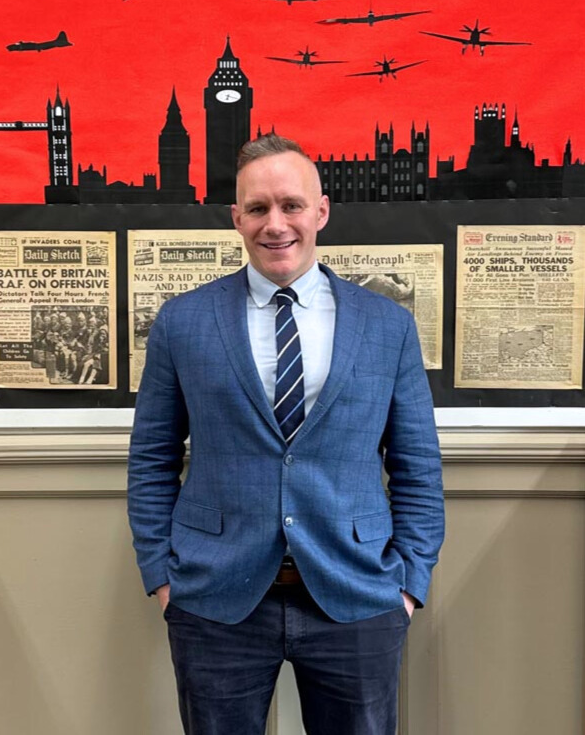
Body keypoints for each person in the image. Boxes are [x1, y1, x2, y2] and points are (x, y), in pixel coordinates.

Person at [128, 134, 444, 735]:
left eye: (291, 205)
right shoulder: (183, 322)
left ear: (320, 211)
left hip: (358, 594)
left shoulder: (388, 326)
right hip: (215, 597)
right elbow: (151, 460)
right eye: (257, 208)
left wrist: (408, 585)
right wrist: (163, 579)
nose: (276, 225)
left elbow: (417, 468)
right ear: (237, 218)